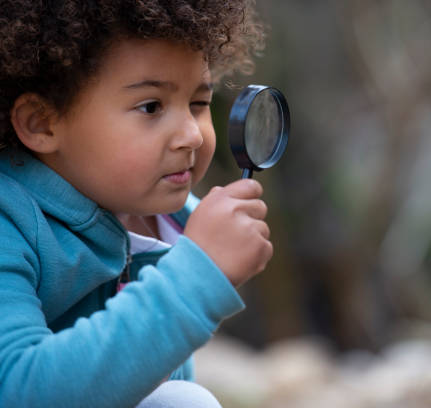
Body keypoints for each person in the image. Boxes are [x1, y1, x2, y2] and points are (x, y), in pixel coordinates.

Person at [0, 1, 271, 407]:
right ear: (43, 123)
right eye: (151, 107)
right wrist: (193, 282)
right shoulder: (8, 224)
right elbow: (21, 389)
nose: (192, 136)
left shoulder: (171, 219)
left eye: (199, 104)